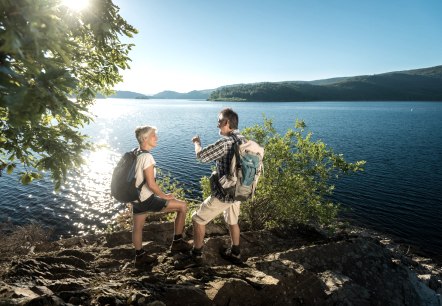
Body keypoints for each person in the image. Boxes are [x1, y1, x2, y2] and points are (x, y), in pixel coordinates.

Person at [176, 108, 246, 269]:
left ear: (227, 123)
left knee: (198, 218)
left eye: (219, 121)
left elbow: (201, 157)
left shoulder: (225, 143)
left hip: (225, 193)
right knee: (233, 221)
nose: (217, 124)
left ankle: (197, 254)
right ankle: (236, 252)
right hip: (239, 191)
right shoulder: (243, 139)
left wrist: (197, 143)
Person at [132, 125, 191, 268]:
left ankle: (139, 256)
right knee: (182, 206)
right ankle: (177, 242)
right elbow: (151, 185)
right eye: (153, 135)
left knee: (137, 227)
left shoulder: (136, 152)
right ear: (145, 138)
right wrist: (164, 196)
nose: (156, 138)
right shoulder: (147, 157)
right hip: (146, 199)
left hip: (135, 198)